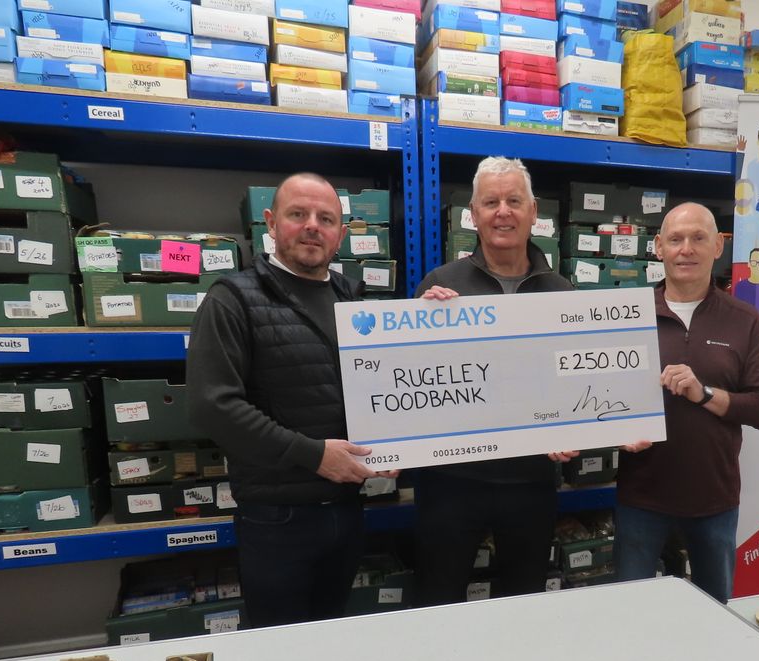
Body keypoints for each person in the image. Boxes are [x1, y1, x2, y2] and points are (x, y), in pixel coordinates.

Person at [187, 173, 383, 628]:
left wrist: (438, 314)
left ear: (340, 233)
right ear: (272, 223)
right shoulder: (232, 299)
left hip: (347, 510)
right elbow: (212, 405)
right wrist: (314, 456)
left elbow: (380, 390)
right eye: (299, 214)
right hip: (277, 522)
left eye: (326, 218)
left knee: (331, 634)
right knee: (279, 648)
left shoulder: (354, 302)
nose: (313, 226)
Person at [411, 157, 574, 606]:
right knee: (437, 600)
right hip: (451, 483)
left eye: (514, 201)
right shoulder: (440, 286)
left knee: (525, 602)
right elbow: (408, 381)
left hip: (531, 482)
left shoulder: (561, 291)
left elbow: (572, 379)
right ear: (474, 215)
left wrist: (574, 429)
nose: (503, 211)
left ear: (533, 212)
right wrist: (420, 326)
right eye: (491, 202)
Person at [615, 203, 759, 602]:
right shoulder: (625, 316)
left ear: (718, 247)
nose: (685, 249)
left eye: (698, 238)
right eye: (675, 239)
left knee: (714, 611)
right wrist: (614, 430)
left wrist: (704, 393)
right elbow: (596, 397)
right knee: (629, 612)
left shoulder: (745, 320)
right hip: (641, 498)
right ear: (658, 247)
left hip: (714, 502)